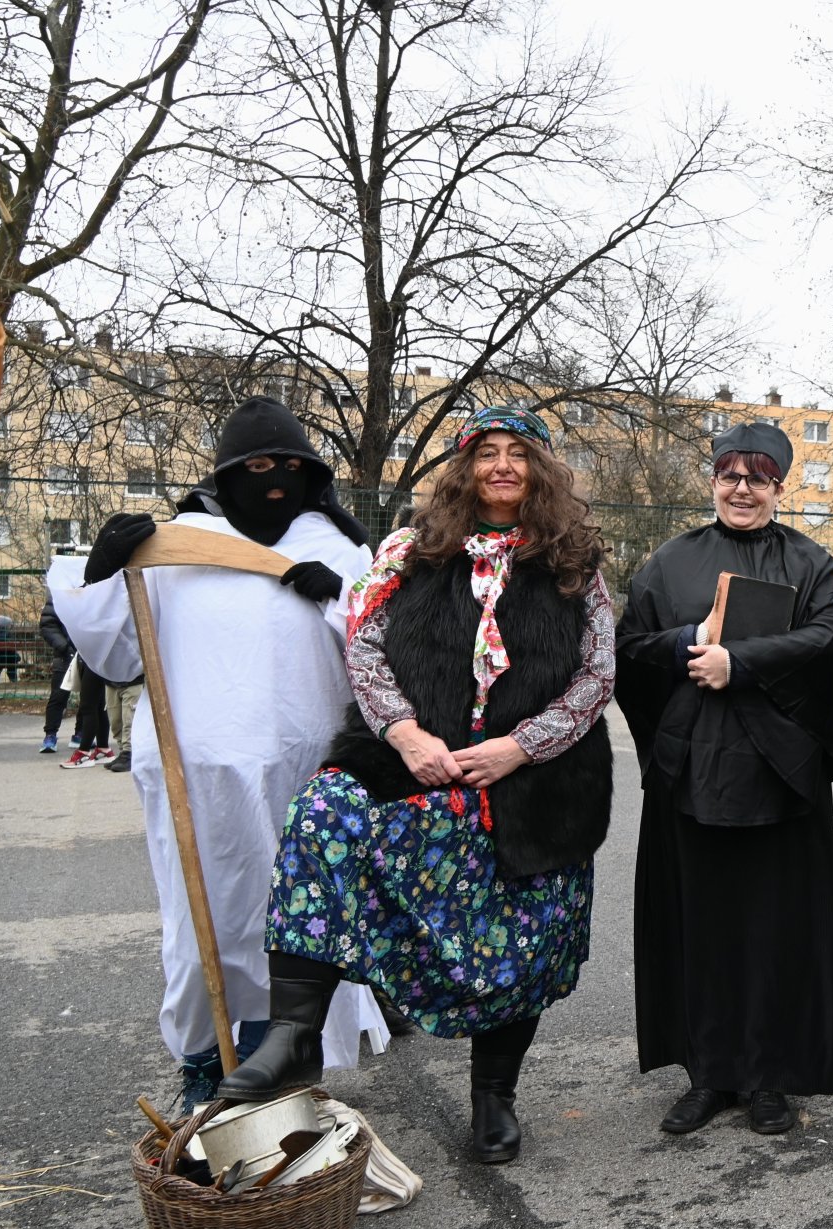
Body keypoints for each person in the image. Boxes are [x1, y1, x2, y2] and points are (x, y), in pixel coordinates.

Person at [217, 407, 614, 1164]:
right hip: (413, 761)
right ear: (464, 470)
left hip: (534, 777)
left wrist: (520, 748)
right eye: (486, 453)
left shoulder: (574, 561)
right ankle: (294, 1034)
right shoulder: (408, 549)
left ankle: (493, 1095)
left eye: (518, 454)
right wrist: (403, 733)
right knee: (323, 815)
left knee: (520, 936)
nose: (502, 466)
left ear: (541, 472)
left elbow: (598, 675)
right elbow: (364, 648)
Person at [47, 395, 388, 1106]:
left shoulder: (338, 548)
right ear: (228, 473)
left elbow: (383, 657)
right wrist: (104, 570)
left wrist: (339, 597)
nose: (277, 482)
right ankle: (205, 1065)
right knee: (201, 922)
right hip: (192, 775)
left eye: (291, 466)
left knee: (296, 917)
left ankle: (284, 1064)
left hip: (303, 771)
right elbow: (115, 658)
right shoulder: (173, 548)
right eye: (259, 467)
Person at [614, 421, 833, 1139]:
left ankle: (768, 1074)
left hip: (780, 775)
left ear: (779, 486)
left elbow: (830, 636)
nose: (742, 489)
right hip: (692, 770)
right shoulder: (670, 561)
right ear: (713, 479)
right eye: (730, 475)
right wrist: (693, 643)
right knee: (703, 926)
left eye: (758, 478)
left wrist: (739, 663)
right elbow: (629, 647)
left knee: (773, 929)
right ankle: (709, 1073)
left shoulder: (811, 561)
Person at [58, 658, 113, 768]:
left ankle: (84, 753)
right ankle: (103, 749)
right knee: (99, 706)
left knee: (88, 706)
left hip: (93, 660)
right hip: (98, 661)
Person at [37, 597, 74, 753]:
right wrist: (64, 646)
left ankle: (82, 734)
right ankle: (50, 735)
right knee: (58, 696)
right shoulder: (59, 593)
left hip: (87, 652)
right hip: (64, 654)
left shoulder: (91, 589)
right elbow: (47, 624)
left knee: (90, 698)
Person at [105, 677, 144, 772]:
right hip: (111, 681)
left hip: (133, 681)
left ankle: (128, 753)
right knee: (115, 722)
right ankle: (123, 752)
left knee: (128, 720)